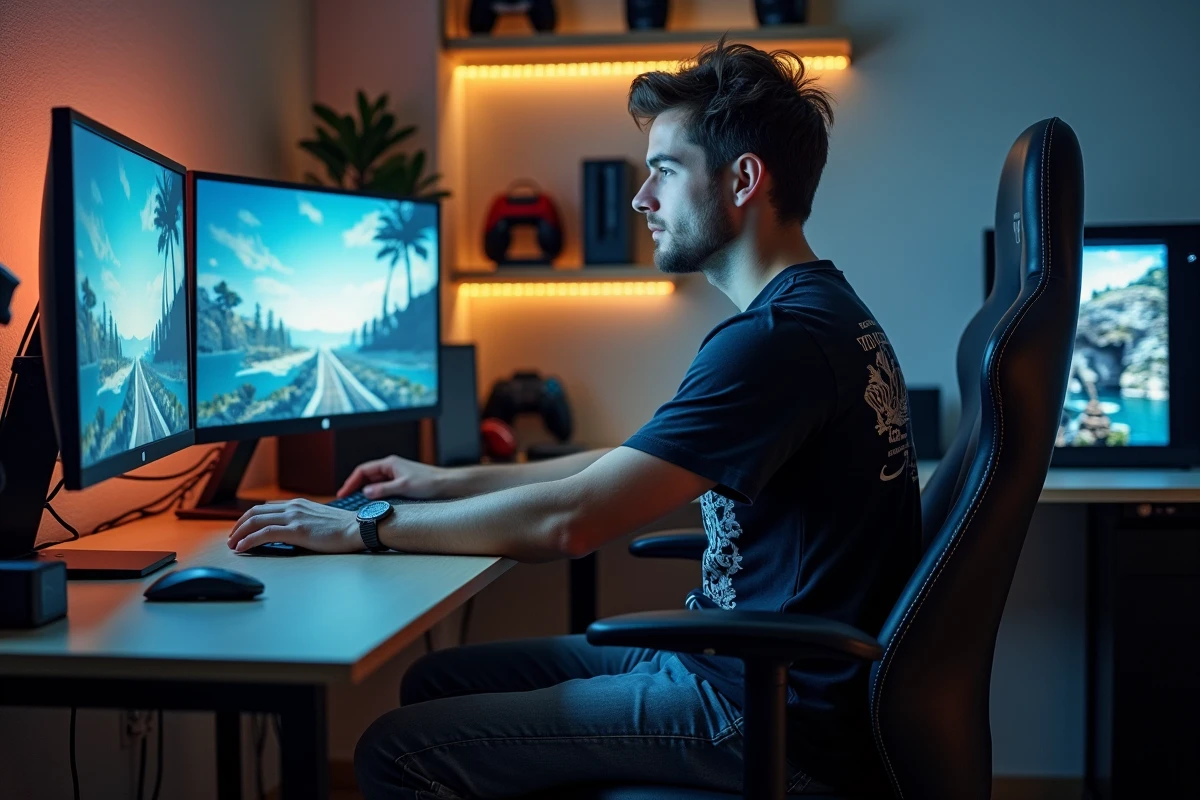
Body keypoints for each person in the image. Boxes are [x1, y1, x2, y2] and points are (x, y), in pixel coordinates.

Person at [228, 38, 921, 798]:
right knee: (438, 679)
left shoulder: (776, 341)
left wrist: (364, 527)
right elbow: (622, 461)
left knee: (398, 753)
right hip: (743, 669)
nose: (640, 200)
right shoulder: (813, 314)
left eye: (663, 170)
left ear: (744, 179)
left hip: (759, 709)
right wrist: (447, 481)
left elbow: (573, 523)